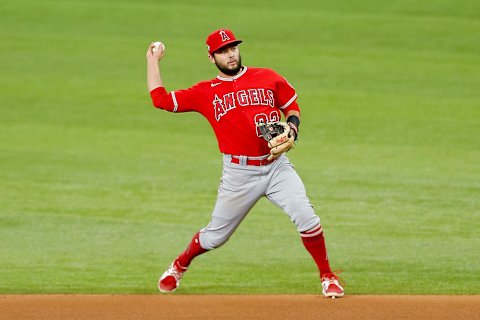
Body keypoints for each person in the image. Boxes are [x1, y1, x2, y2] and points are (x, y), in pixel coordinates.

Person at [146, 28, 344, 298]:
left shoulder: (267, 76)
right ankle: (179, 265)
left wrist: (293, 128)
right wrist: (153, 61)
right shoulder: (206, 92)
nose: (231, 54)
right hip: (238, 173)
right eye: (223, 51)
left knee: (306, 215)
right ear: (211, 57)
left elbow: (291, 106)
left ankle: (327, 276)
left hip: (276, 166)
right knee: (215, 237)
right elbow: (160, 100)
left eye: (233, 48)